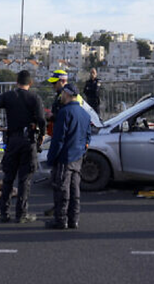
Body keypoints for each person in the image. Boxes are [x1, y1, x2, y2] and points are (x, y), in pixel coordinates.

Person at [0, 70, 45, 224]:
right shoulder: (34, 98)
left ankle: (4, 212)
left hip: (12, 140)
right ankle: (21, 214)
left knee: (8, 178)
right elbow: (41, 119)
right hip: (28, 141)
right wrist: (41, 135)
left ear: (16, 82)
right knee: (24, 180)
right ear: (30, 83)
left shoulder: (8, 96)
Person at [45, 83, 91, 229]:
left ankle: (61, 220)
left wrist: (51, 158)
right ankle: (73, 219)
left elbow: (58, 139)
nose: (61, 96)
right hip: (78, 157)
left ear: (67, 94)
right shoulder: (85, 114)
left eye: (63, 93)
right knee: (74, 190)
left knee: (62, 190)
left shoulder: (64, 113)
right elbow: (88, 137)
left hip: (65, 157)